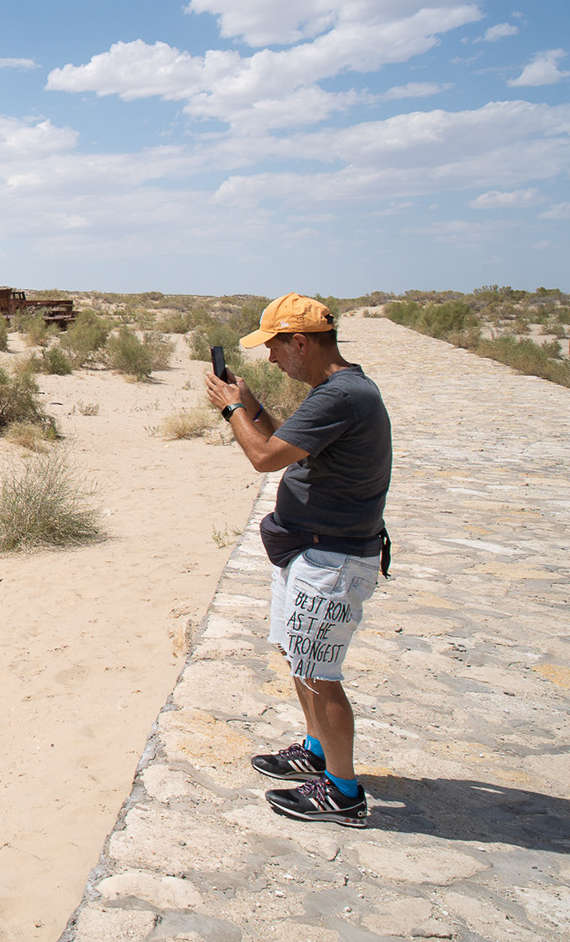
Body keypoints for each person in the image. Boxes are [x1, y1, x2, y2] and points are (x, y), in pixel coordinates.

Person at [204, 292, 390, 828]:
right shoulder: (341, 390)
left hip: (329, 558)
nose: (271, 359)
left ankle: (343, 791)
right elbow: (287, 441)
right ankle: (317, 751)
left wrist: (232, 408)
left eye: (275, 348)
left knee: (319, 672)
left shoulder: (341, 396)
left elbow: (264, 457)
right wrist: (252, 404)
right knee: (301, 658)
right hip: (315, 549)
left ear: (301, 342)